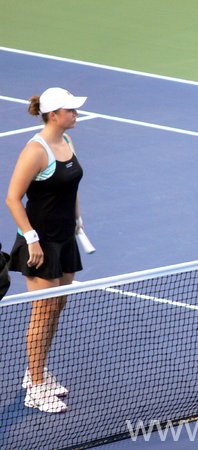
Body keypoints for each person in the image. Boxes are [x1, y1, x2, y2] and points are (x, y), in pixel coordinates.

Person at [5, 87, 87, 413]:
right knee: (41, 312)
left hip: (65, 239)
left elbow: (72, 185)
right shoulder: (36, 150)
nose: (76, 114)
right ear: (54, 115)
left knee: (56, 308)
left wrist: (77, 218)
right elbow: (13, 197)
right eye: (71, 110)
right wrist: (32, 238)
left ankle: (34, 372)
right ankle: (36, 387)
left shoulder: (66, 142)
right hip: (40, 244)